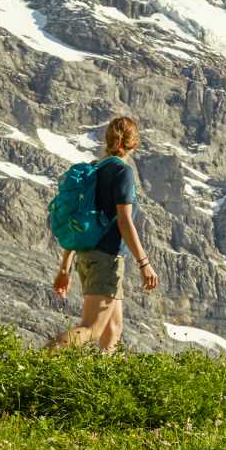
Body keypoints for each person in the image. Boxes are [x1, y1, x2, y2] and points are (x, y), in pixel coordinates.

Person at [50, 116, 158, 351]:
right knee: (91, 329)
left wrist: (64, 269)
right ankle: (44, 356)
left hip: (87, 256)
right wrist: (144, 263)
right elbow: (124, 220)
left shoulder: (94, 170)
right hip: (106, 258)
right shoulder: (122, 172)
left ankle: (105, 373)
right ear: (134, 144)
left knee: (113, 328)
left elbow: (79, 222)